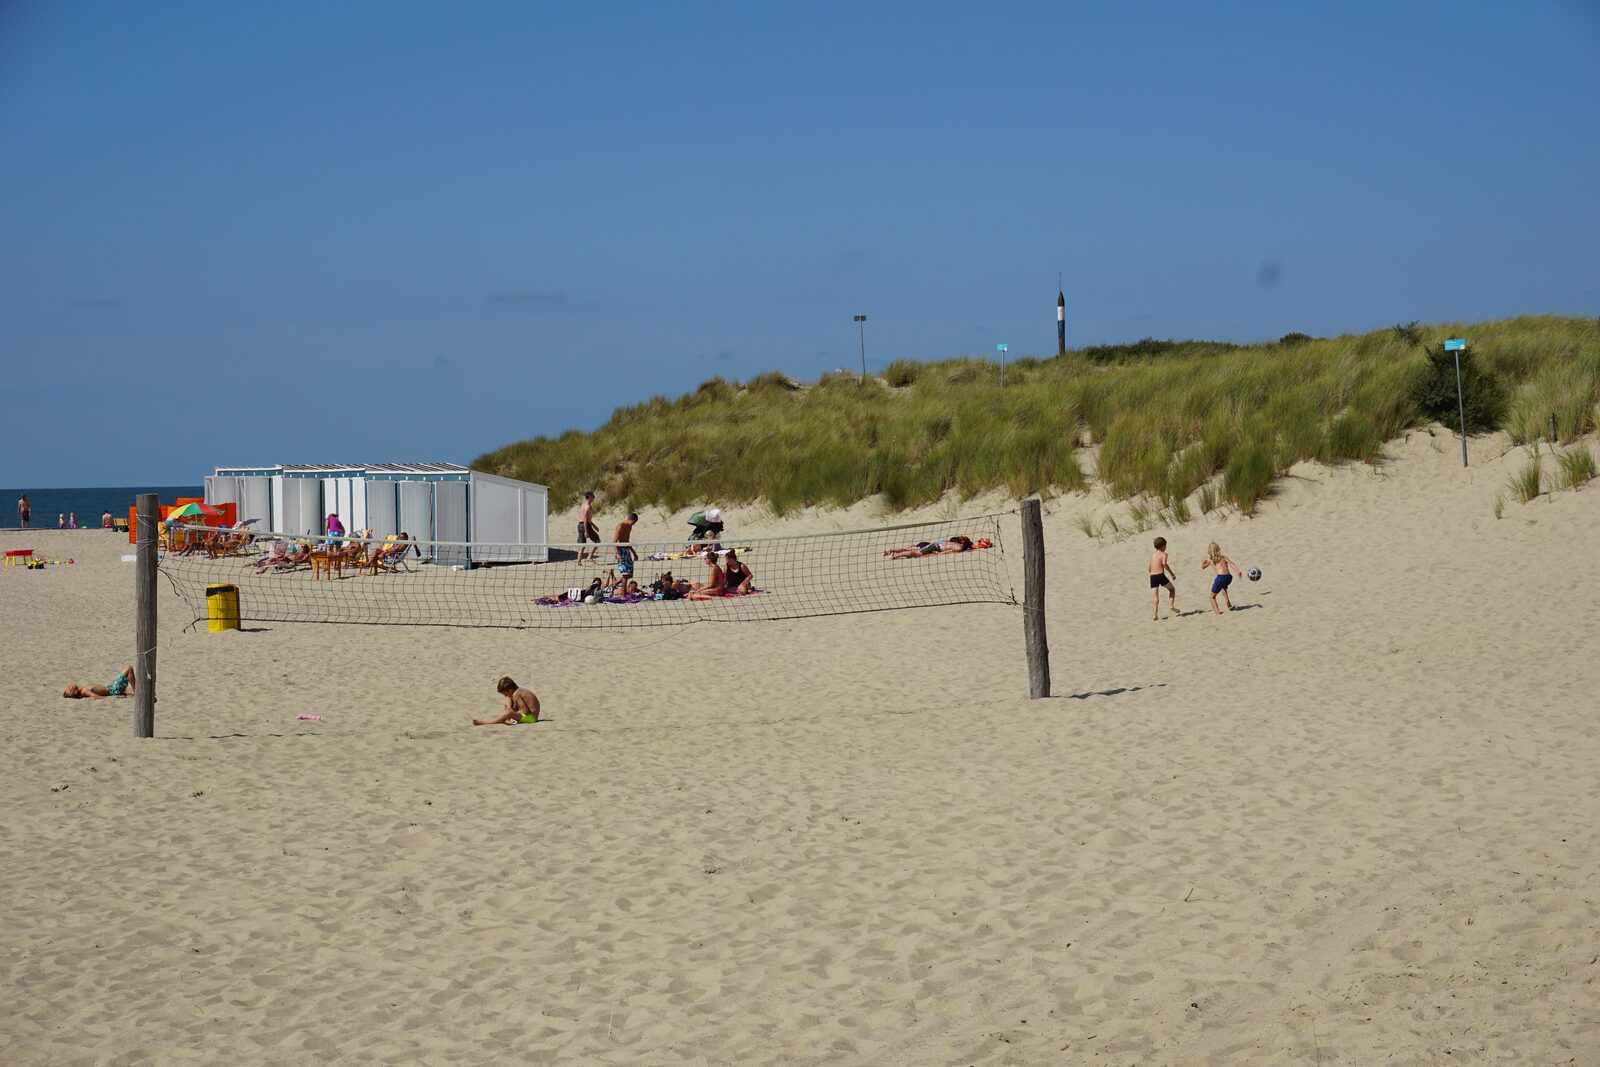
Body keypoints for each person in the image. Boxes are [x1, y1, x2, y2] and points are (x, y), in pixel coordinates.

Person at [473, 675, 541, 726]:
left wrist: (513, 711)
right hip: (528, 716)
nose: (505, 696)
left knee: (508, 713)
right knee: (509, 699)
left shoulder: (516, 694)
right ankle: (508, 719)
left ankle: (486, 722)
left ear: (510, 690)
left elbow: (525, 711)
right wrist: (512, 709)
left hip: (531, 718)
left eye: (505, 694)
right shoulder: (516, 692)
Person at [1201, 541, 1244, 615]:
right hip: (1228, 577)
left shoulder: (1210, 560)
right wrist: (1238, 571)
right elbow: (1231, 564)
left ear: (1209, 551)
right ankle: (1229, 605)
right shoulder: (1224, 557)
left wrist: (1203, 562)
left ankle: (1217, 613)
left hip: (1220, 578)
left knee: (1212, 597)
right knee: (1223, 588)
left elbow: (1203, 567)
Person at [604, 512, 638, 590]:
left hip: (626, 549)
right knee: (625, 575)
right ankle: (623, 593)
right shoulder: (620, 526)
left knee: (630, 574)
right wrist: (618, 554)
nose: (633, 524)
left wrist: (634, 553)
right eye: (632, 523)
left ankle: (615, 583)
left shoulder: (629, 527)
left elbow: (627, 541)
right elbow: (614, 542)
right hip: (620, 550)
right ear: (629, 519)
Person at [1149, 536, 1178, 620]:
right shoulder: (1164, 554)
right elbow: (1164, 564)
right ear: (1163, 546)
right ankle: (1171, 605)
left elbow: (1149, 567)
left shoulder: (1153, 555)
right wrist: (1172, 574)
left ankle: (1155, 614)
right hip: (1160, 575)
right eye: (1165, 546)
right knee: (1172, 589)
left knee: (1155, 597)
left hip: (1152, 576)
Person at [64, 666, 136, 700]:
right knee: (129, 668)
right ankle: (136, 691)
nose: (69, 685)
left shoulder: (83, 689)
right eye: (69, 688)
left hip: (111, 688)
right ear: (75, 691)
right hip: (113, 690)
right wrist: (111, 698)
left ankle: (134, 692)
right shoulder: (84, 691)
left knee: (126, 691)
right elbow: (95, 696)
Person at [883, 535, 974, 560]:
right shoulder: (959, 547)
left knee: (912, 550)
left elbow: (939, 541)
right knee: (915, 553)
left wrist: (937, 547)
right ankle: (894, 556)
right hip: (934, 546)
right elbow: (950, 551)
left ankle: (891, 551)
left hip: (935, 544)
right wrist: (940, 552)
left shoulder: (950, 542)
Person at [576, 490, 600, 563]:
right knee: (598, 541)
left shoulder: (583, 504)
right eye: (593, 496)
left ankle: (578, 560)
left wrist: (594, 526)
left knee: (582, 544)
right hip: (585, 525)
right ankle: (590, 556)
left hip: (580, 525)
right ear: (589, 497)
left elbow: (586, 518)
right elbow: (586, 519)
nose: (594, 497)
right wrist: (586, 531)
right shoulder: (588, 506)